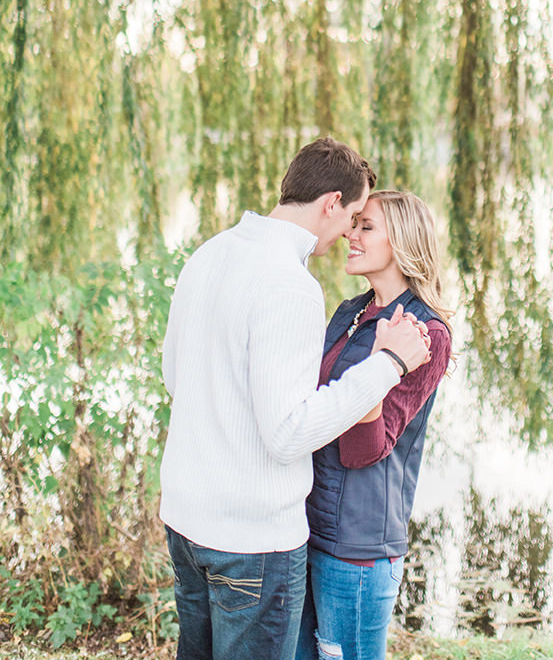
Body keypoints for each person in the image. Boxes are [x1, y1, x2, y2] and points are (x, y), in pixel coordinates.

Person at [159, 138, 431, 660]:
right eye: (353, 215)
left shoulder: (209, 253)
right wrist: (387, 365)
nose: (351, 230)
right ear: (330, 202)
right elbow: (288, 435)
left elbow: (176, 375)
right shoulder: (289, 284)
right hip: (251, 543)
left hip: (185, 522)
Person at [296, 189, 453, 660]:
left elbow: (366, 448)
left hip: (357, 546)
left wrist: (384, 362)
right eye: (353, 223)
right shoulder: (350, 312)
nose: (350, 233)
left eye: (366, 226)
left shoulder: (427, 334)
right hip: (305, 526)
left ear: (402, 243)